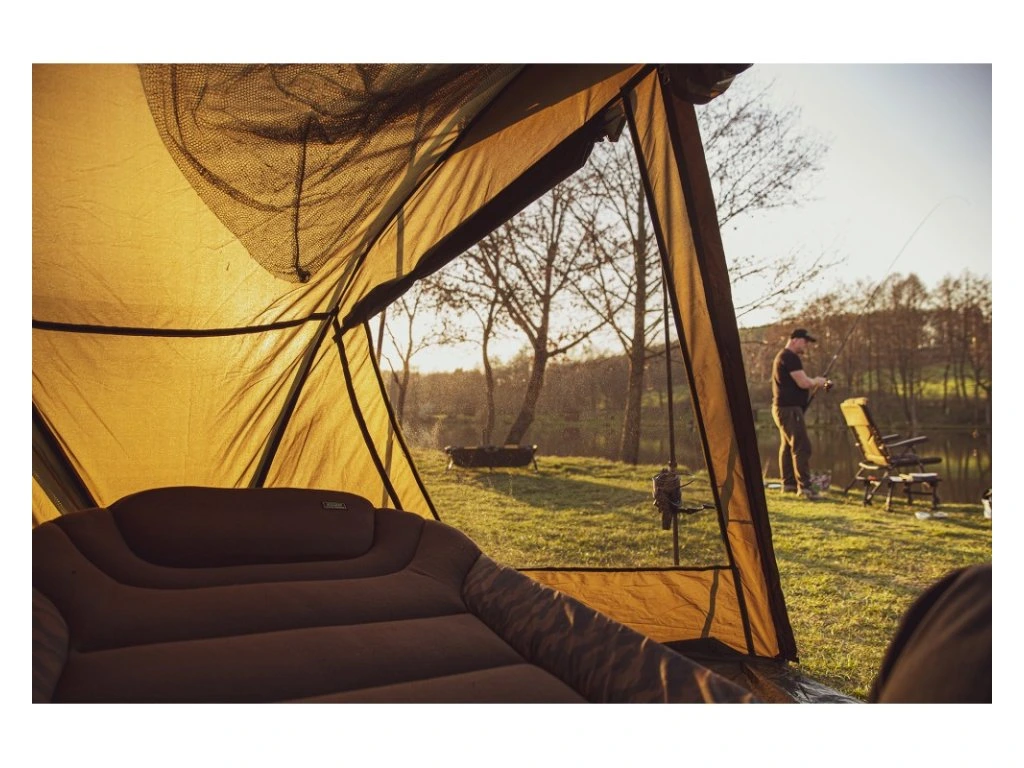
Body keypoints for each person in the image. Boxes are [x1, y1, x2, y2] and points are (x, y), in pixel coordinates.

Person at [771, 328, 830, 500]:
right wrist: (818, 381)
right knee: (802, 447)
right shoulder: (789, 357)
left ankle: (789, 485)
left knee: (788, 447)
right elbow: (803, 383)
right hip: (789, 410)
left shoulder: (783, 356)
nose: (806, 346)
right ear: (795, 340)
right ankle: (805, 488)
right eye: (805, 342)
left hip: (783, 409)